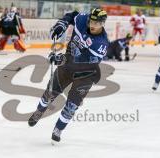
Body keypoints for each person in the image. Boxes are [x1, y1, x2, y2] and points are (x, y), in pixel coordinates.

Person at [28, 8, 109, 144]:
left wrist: (62, 60)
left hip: (86, 74)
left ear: (103, 23)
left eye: (96, 23)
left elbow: (85, 63)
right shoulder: (83, 19)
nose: (92, 25)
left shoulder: (101, 44)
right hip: (67, 66)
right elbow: (72, 16)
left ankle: (58, 129)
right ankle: (38, 112)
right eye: (91, 21)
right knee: (50, 93)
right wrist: (62, 24)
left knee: (72, 105)